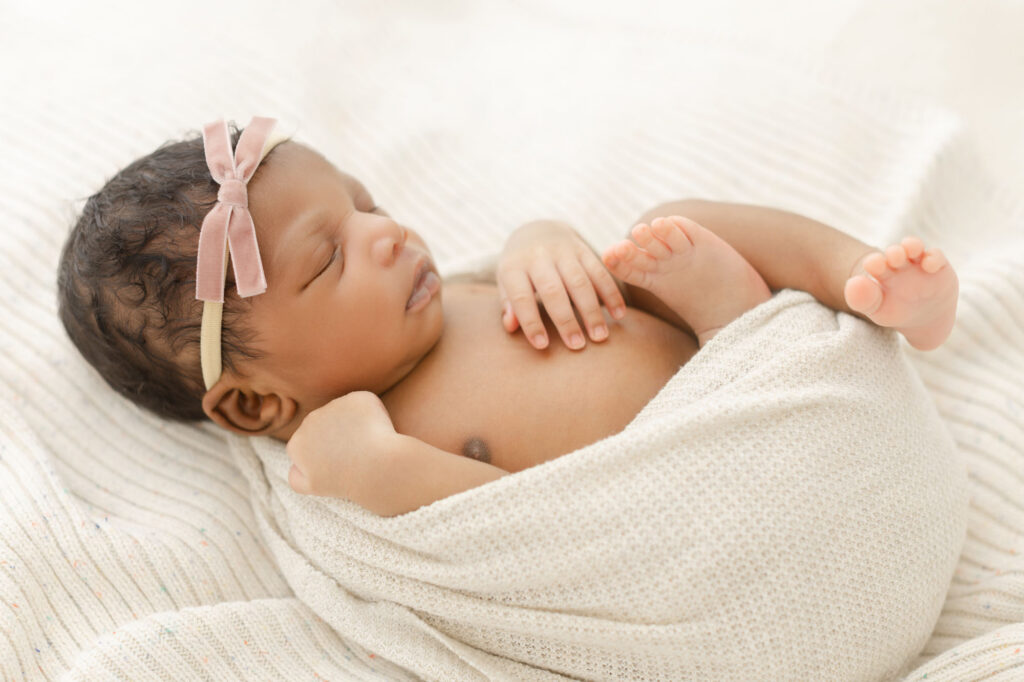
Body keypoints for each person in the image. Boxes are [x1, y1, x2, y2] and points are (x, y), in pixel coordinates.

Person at [58, 119, 959, 517]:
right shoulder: (361, 444)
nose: (386, 234)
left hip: (749, 376)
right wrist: (384, 473)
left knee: (669, 227)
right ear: (256, 405)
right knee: (688, 257)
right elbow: (537, 528)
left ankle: (860, 279)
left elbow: (582, 279)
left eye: (364, 203)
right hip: (702, 481)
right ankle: (734, 320)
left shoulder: (440, 301)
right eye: (329, 258)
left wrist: (541, 239)